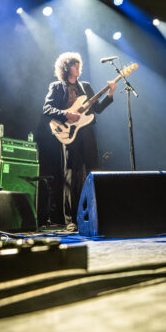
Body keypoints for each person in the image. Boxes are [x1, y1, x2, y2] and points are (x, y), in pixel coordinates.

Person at [43, 52, 116, 230]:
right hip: (68, 133)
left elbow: (97, 109)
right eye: (75, 65)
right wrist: (66, 114)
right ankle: (71, 221)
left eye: (79, 64)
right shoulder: (57, 87)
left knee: (93, 171)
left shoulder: (86, 87)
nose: (78, 67)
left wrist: (110, 94)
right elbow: (47, 108)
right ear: (67, 67)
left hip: (87, 131)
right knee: (71, 176)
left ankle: (96, 215)